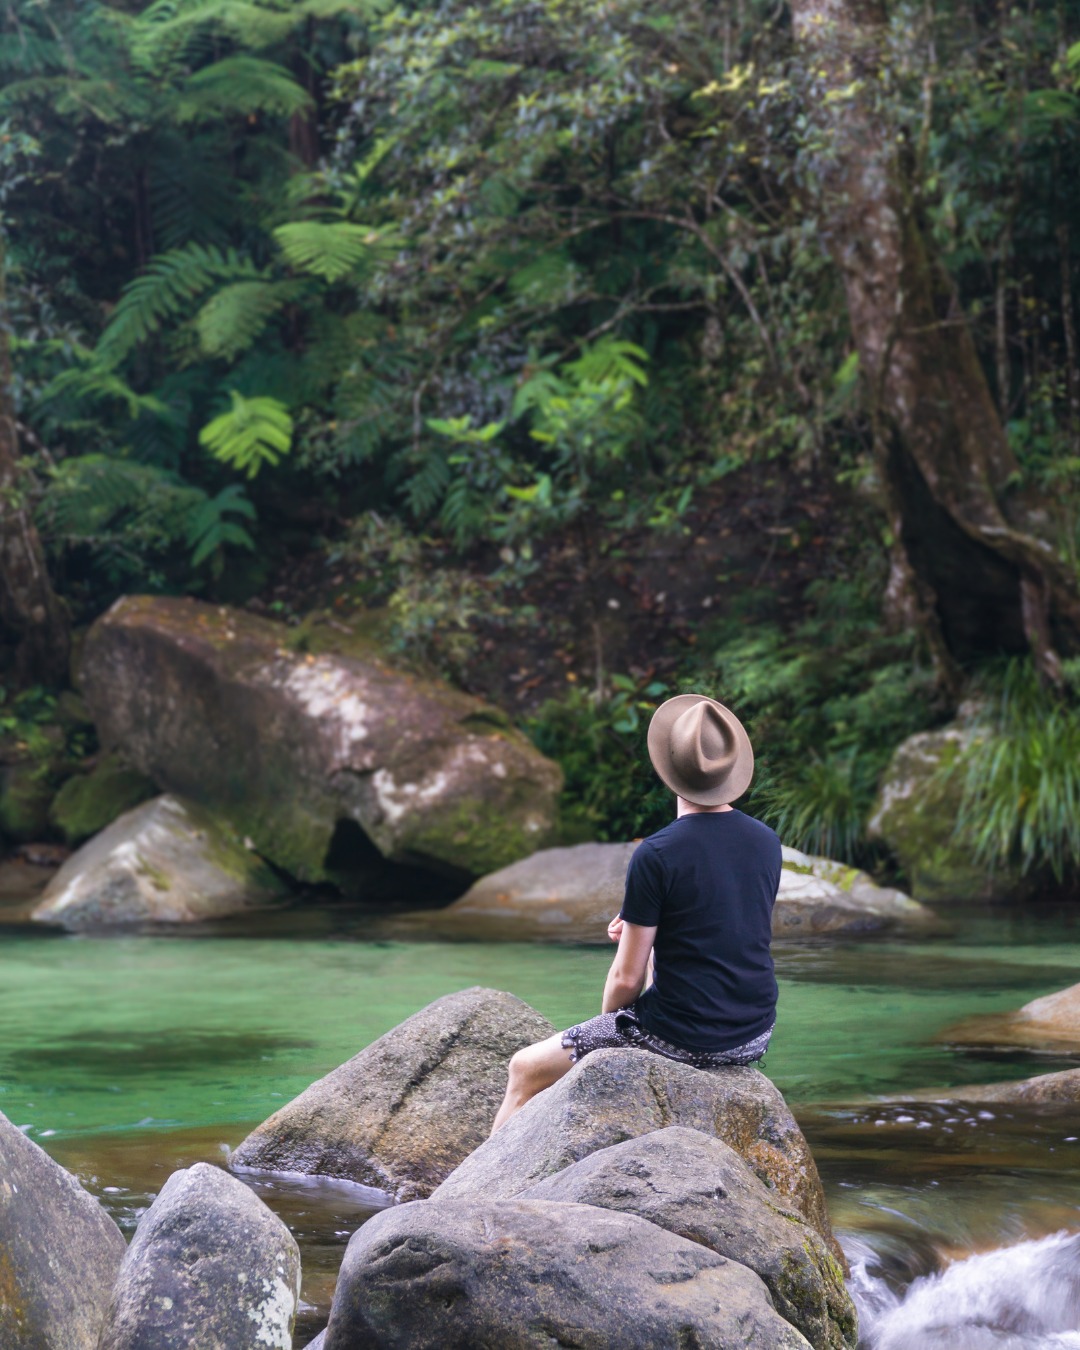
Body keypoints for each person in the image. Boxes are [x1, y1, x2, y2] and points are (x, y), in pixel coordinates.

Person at [490, 692, 780, 1134]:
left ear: (668, 770)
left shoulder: (657, 854)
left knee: (523, 1069)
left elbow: (626, 981)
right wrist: (652, 930)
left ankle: (484, 1192)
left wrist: (607, 1029)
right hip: (754, 1033)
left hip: (683, 1037)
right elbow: (724, 928)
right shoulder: (766, 841)